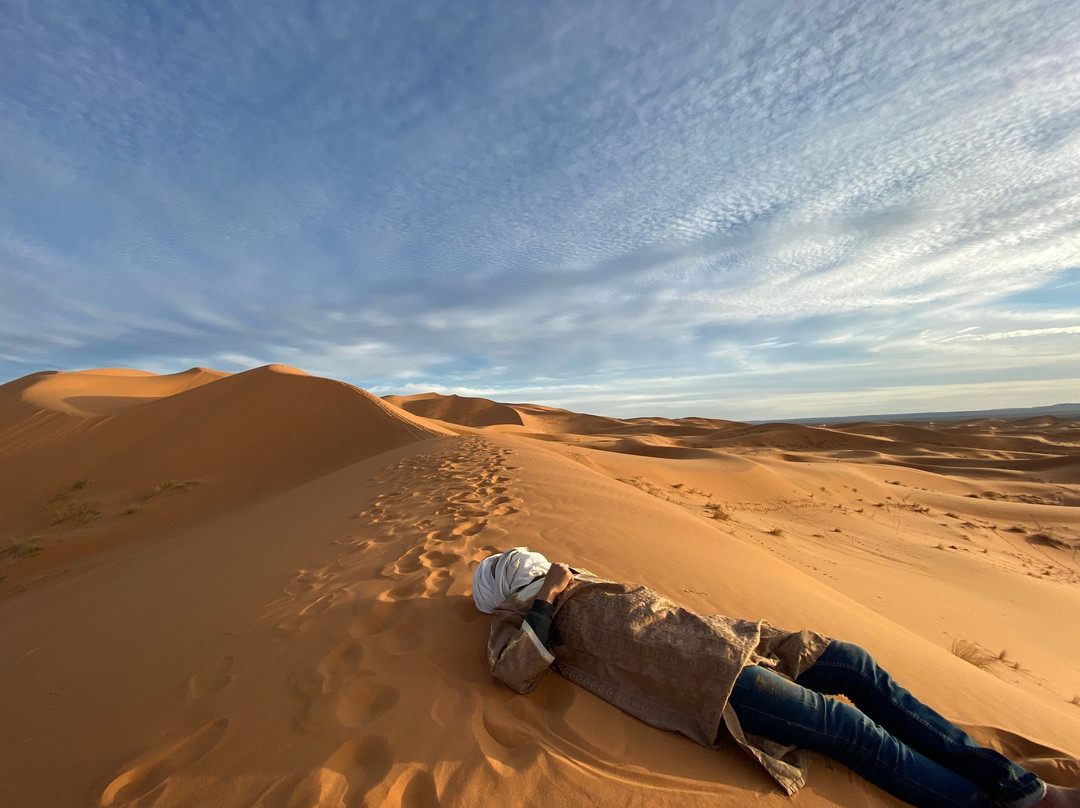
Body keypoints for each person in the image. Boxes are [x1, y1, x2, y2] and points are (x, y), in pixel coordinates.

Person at [473, 547, 1079, 808]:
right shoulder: (518, 626)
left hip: (746, 642)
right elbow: (515, 676)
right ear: (503, 596)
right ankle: (1005, 802)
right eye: (511, 571)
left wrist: (566, 581)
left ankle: (1014, 782)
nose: (528, 566)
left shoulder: (581, 579)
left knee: (855, 663)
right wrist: (546, 600)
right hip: (713, 682)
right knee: (847, 728)